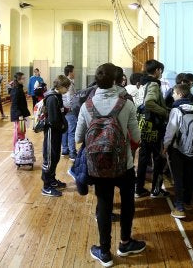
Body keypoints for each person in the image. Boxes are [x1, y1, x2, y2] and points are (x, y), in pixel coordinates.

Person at [75, 63, 145, 267]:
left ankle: (104, 251)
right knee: (127, 203)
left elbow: (79, 137)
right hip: (124, 164)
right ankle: (125, 243)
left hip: (98, 166)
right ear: (117, 80)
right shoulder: (127, 104)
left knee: (104, 205)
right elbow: (137, 137)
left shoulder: (87, 105)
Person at [163, 84, 193, 219]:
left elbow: (171, 130)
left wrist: (165, 145)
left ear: (179, 94)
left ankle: (179, 207)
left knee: (178, 178)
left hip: (178, 148)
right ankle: (187, 202)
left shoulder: (176, 109)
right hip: (192, 147)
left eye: (173, 93)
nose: (172, 95)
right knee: (189, 175)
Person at [135, 59, 170, 198]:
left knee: (143, 158)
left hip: (143, 125)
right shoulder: (154, 84)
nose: (161, 73)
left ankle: (139, 189)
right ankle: (156, 190)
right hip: (153, 127)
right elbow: (149, 103)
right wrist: (165, 112)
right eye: (160, 70)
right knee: (158, 158)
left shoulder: (142, 83)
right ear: (156, 71)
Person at [41, 75, 71, 197]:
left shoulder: (57, 96)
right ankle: (46, 186)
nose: (67, 90)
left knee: (55, 157)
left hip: (56, 133)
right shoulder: (52, 98)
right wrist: (62, 126)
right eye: (67, 87)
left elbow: (59, 112)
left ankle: (52, 180)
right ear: (61, 86)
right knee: (49, 158)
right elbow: (53, 120)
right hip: (51, 133)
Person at [10, 72, 31, 146]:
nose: (24, 80)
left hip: (21, 114)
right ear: (19, 79)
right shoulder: (16, 90)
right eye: (23, 78)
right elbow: (15, 104)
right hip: (19, 115)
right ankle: (16, 149)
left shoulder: (19, 88)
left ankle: (20, 147)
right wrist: (20, 115)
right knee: (19, 132)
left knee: (22, 131)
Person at [61, 64, 77, 159]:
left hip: (64, 110)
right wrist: (72, 108)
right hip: (69, 111)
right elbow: (69, 99)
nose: (75, 73)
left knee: (65, 130)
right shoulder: (69, 84)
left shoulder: (64, 82)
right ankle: (72, 152)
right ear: (70, 73)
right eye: (74, 71)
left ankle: (65, 149)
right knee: (71, 131)